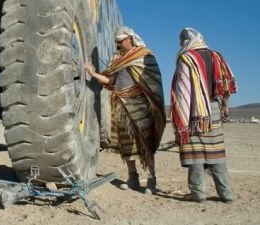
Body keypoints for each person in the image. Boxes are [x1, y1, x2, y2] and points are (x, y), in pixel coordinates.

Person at [85, 26, 166, 194]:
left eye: (120, 41)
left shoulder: (144, 56)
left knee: (146, 144)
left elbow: (153, 84)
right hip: (121, 106)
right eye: (116, 42)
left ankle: (151, 181)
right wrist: (92, 73)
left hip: (141, 106)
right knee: (126, 144)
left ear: (130, 38)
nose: (118, 45)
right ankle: (132, 178)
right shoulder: (118, 59)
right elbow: (111, 80)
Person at [170, 28, 237, 203]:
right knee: (216, 153)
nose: (180, 44)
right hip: (214, 110)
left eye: (181, 40)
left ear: (186, 40)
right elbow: (226, 84)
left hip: (194, 112)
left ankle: (198, 194)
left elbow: (182, 90)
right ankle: (227, 194)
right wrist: (225, 107)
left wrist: (182, 115)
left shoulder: (187, 58)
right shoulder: (216, 56)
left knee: (195, 155)